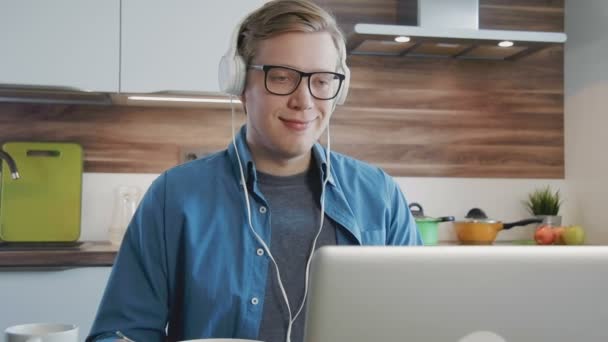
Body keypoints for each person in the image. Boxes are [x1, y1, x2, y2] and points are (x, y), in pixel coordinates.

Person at [87, 0, 422, 341]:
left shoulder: (380, 194)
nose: (304, 100)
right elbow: (121, 333)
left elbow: (419, 321)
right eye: (281, 77)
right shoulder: (175, 196)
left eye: (321, 81)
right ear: (239, 83)